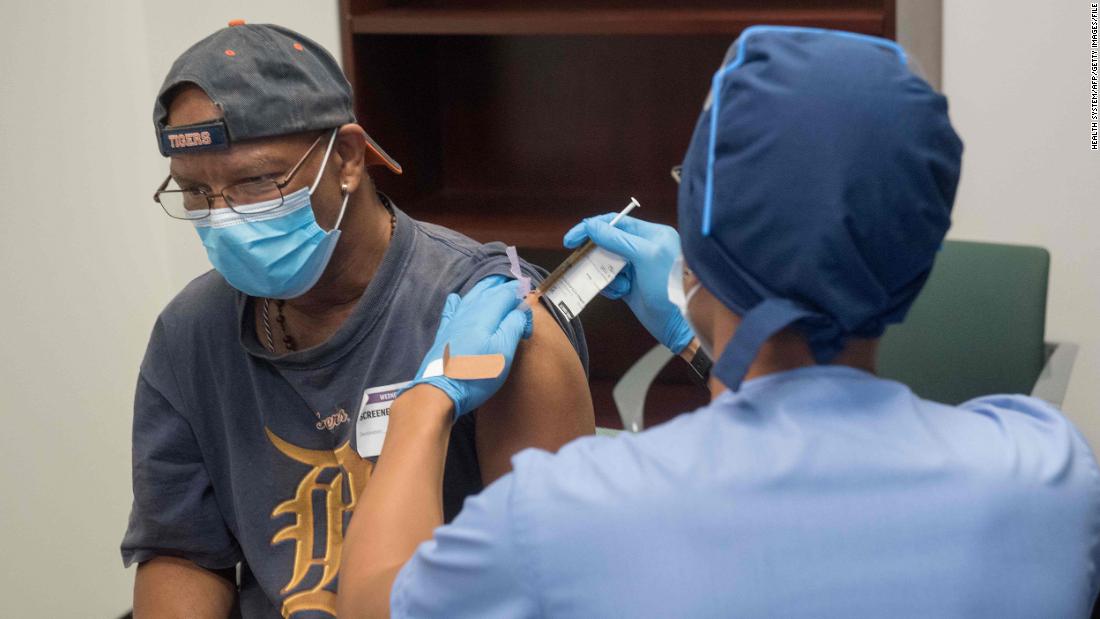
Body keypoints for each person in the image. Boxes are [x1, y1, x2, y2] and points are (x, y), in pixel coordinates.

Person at [335, 26, 1100, 618]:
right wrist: (698, 331)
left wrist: (424, 403)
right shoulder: (1044, 473)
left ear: (700, 239)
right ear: (921, 251)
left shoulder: (564, 515)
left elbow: (373, 603)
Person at [120, 22, 595, 618]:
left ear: (346, 158)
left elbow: (547, 586)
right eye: (195, 193)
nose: (225, 217)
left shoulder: (494, 322)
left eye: (255, 183)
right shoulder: (191, 332)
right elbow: (182, 552)